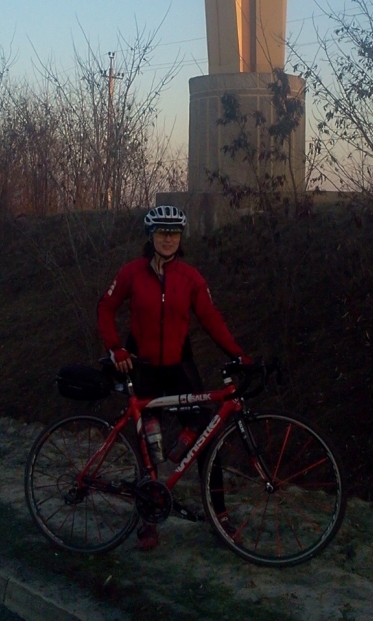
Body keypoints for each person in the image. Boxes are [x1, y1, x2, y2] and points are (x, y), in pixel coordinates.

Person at [97, 205, 251, 551]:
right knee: (147, 446)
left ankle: (220, 515)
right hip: (143, 366)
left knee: (207, 436)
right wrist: (115, 348)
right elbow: (105, 307)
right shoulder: (132, 273)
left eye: (174, 233)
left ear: (180, 238)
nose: (168, 239)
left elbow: (211, 318)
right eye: (162, 233)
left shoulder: (191, 277)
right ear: (150, 236)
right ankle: (148, 521)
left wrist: (238, 354)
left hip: (180, 366)